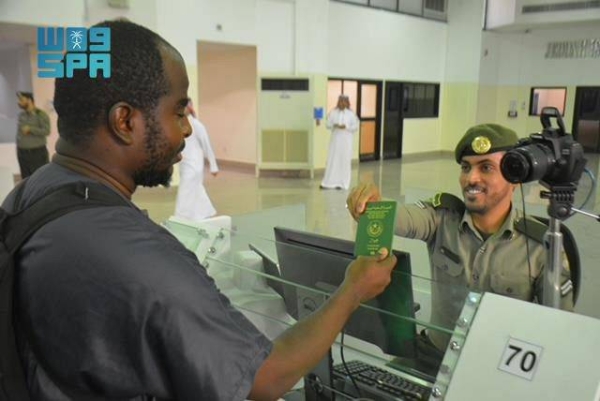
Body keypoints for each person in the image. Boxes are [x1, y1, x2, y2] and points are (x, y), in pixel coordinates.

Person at [2, 20, 397, 401]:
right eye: (177, 111)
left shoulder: (31, 194)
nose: (187, 129)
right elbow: (266, 378)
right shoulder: (143, 259)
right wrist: (354, 288)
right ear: (125, 121)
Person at [346, 123, 573, 354]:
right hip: (434, 355)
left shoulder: (539, 246)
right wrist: (373, 206)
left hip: (496, 367)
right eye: (466, 167)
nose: (471, 178)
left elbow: (558, 331)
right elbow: (402, 218)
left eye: (486, 168)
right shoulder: (441, 219)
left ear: (514, 178)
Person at [174, 102, 219, 221]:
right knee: (196, 189)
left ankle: (180, 217)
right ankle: (205, 213)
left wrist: (213, 166)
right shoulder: (178, 124)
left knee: (185, 190)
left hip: (195, 165)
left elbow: (206, 145)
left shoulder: (197, 125)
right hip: (184, 164)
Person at [320, 94, 359, 190]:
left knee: (344, 161)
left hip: (346, 142)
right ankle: (328, 183)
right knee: (333, 160)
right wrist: (335, 125)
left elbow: (356, 126)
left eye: (344, 101)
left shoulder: (351, 114)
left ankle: (342, 183)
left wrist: (347, 127)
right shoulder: (333, 113)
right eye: (340, 101)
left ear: (347, 103)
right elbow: (327, 124)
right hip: (335, 141)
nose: (342, 103)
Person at [16, 91, 50, 178]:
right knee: (26, 180)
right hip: (22, 153)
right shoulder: (21, 115)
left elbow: (47, 131)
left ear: (29, 100)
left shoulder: (41, 115)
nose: (19, 102)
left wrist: (31, 129)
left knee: (39, 179)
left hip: (36, 153)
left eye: (21, 100)